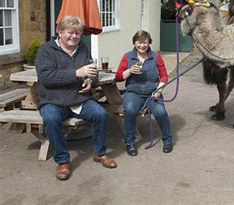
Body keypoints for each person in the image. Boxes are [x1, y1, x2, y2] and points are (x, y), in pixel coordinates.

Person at [35, 16, 117, 181]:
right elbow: (46, 78)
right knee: (51, 118)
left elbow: (92, 71)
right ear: (60, 32)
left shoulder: (82, 48)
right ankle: (63, 161)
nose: (74, 37)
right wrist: (76, 73)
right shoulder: (46, 50)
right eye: (70, 33)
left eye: (77, 33)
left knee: (100, 114)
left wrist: (89, 81)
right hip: (53, 100)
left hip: (79, 99)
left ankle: (99, 153)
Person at [115, 30, 173, 156]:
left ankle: (168, 140)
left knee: (161, 112)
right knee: (129, 111)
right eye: (139, 42)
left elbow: (164, 76)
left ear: (149, 43)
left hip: (153, 92)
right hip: (133, 92)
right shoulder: (128, 56)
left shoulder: (155, 56)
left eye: (145, 42)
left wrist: (159, 90)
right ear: (135, 43)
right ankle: (130, 143)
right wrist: (129, 71)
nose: (142, 45)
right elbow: (118, 77)